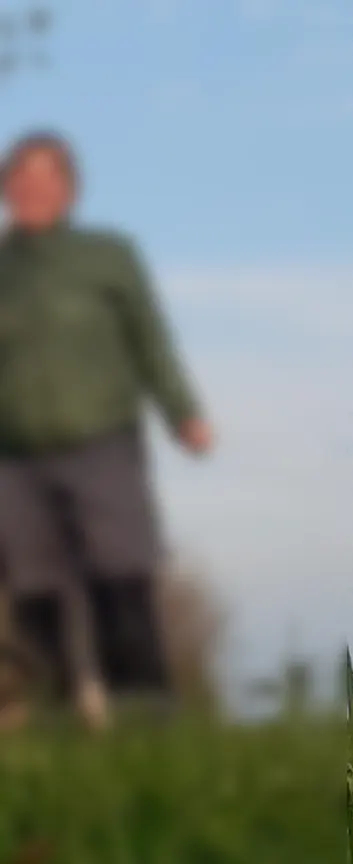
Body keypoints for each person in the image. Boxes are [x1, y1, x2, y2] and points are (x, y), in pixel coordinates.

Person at [0, 130, 212, 729]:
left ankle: (145, 707)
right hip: (13, 453)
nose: (32, 190)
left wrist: (183, 412)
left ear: (67, 190)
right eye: (21, 180)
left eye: (46, 180)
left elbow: (150, 340)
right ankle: (56, 712)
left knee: (121, 571)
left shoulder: (106, 257)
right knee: (34, 586)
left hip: (101, 440)